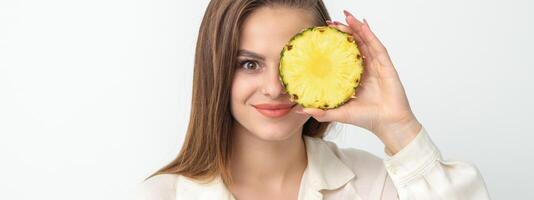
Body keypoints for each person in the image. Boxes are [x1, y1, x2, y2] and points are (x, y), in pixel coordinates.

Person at [136, 0, 490, 199]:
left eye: (292, 64)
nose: (275, 87)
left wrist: (397, 126)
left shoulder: (375, 184)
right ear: (215, 72)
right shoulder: (163, 195)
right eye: (248, 64)